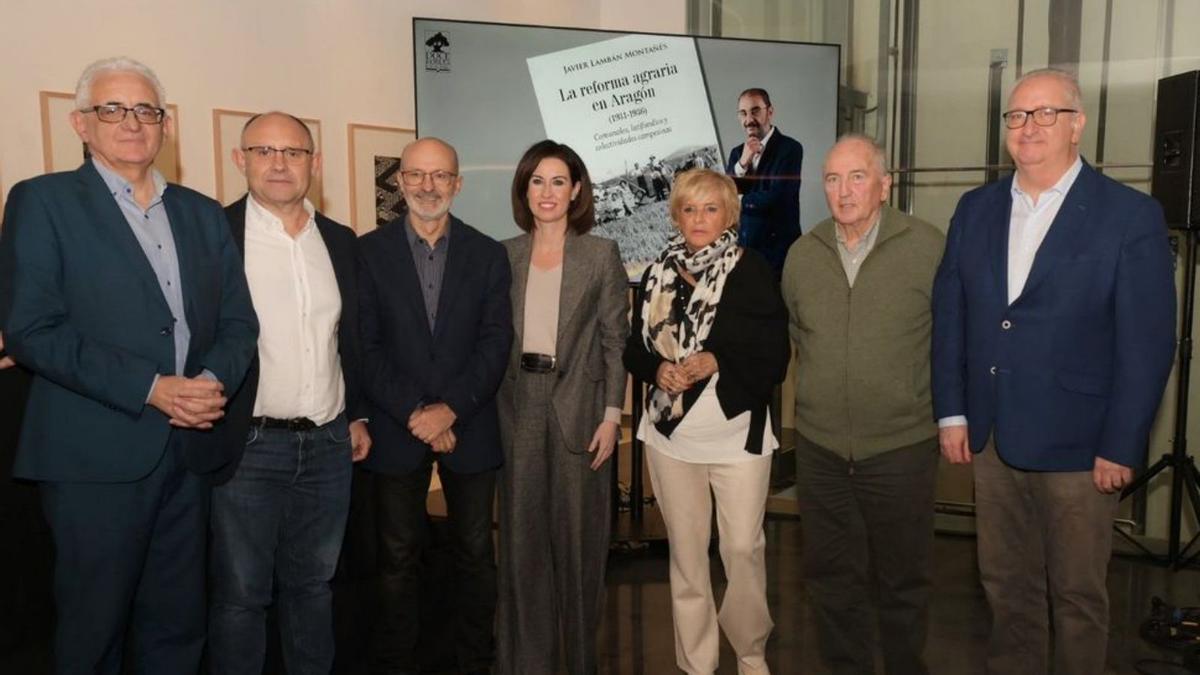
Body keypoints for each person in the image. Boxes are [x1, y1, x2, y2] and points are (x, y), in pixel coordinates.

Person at [0, 57, 258, 674]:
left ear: (165, 125)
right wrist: (151, 388)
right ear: (80, 123)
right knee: (95, 633)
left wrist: (208, 382)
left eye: (146, 110)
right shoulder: (43, 202)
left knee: (178, 629)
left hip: (190, 451)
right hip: (95, 458)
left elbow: (239, 322)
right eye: (112, 109)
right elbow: (33, 331)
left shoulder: (201, 212)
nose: (132, 122)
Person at [932, 68, 1176, 675]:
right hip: (989, 438)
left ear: (1078, 124)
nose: (1028, 127)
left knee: (1076, 598)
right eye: (1017, 115)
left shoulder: (1129, 215)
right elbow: (951, 315)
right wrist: (953, 409)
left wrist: (1122, 443)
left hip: (1081, 445)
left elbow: (1146, 343)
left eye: (1045, 114)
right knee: (1005, 591)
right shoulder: (976, 208)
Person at [207, 111, 372, 674]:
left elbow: (352, 339)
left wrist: (357, 416)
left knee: (313, 589)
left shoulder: (342, 241)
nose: (279, 163)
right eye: (264, 151)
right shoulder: (216, 235)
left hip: (328, 446)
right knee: (240, 597)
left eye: (294, 152)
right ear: (241, 160)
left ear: (314, 164)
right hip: (249, 446)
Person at [781, 134, 944, 675]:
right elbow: (796, 340)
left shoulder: (927, 247)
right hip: (821, 450)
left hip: (901, 447)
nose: (843, 190)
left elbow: (952, 343)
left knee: (902, 581)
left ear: (884, 184)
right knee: (831, 580)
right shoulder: (803, 255)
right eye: (832, 178)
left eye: (856, 177)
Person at [624, 168, 789, 675]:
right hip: (670, 440)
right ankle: (696, 664)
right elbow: (634, 350)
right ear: (676, 215)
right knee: (688, 558)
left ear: (729, 215)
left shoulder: (751, 269)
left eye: (710, 208)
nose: (699, 219)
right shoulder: (655, 275)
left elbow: (774, 352)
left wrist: (716, 359)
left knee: (742, 549)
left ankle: (750, 654)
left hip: (737, 437)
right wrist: (658, 369)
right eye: (689, 209)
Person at [357, 137, 512, 675]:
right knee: (397, 559)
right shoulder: (366, 252)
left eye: (440, 176)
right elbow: (365, 346)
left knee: (475, 555)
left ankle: (476, 660)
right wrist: (418, 413)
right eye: (416, 176)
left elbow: (496, 344)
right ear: (399, 182)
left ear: (457, 184)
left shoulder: (489, 254)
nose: (428, 186)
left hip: (469, 423)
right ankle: (398, 661)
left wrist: (450, 410)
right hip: (397, 427)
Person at [494, 140, 628, 675]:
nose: (546, 193)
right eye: (536, 181)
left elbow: (615, 343)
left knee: (577, 550)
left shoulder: (601, 255)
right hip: (516, 408)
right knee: (522, 546)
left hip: (581, 410)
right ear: (523, 191)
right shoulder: (502, 255)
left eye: (557, 182)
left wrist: (613, 416)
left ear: (576, 191)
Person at [725, 87, 804, 274]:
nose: (748, 120)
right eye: (743, 113)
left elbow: (778, 197)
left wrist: (739, 201)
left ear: (770, 112)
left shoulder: (790, 148)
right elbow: (724, 193)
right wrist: (743, 162)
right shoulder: (737, 153)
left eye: (755, 111)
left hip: (780, 255)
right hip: (745, 254)